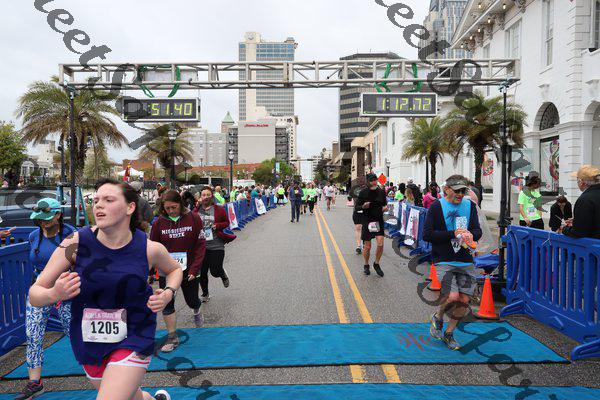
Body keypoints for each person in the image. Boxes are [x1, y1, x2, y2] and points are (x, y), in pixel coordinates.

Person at [29, 178, 182, 400]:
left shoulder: (149, 249)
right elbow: (35, 294)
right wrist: (54, 293)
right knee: (130, 396)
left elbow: (175, 269)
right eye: (96, 200)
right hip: (89, 339)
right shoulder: (75, 243)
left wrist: (168, 293)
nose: (99, 205)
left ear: (130, 207)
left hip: (135, 334)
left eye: (109, 200)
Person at [13, 199, 76, 400]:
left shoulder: (71, 235)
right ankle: (35, 382)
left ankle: (100, 371)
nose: (43, 221)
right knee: (33, 333)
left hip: (66, 286)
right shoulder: (34, 236)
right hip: (41, 287)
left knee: (74, 332)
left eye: (47, 217)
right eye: (39, 218)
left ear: (58, 215)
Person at [423, 175, 482, 351]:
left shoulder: (470, 206)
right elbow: (427, 234)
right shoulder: (436, 206)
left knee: (464, 300)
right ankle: (438, 316)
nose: (460, 194)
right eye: (457, 191)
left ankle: (449, 333)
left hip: (465, 259)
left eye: (463, 191)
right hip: (444, 258)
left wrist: (470, 235)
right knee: (453, 296)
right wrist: (453, 234)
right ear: (446, 189)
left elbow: (477, 230)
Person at [150, 190, 206, 353]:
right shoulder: (159, 223)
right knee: (167, 303)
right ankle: (172, 337)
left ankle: (197, 308)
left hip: (189, 269)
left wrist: (195, 268)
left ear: (180, 204)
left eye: (174, 207)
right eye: (167, 208)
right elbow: (153, 247)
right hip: (167, 270)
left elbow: (200, 245)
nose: (171, 211)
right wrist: (151, 270)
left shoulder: (194, 218)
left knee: (191, 300)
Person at [196, 186, 231, 303]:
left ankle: (222, 274)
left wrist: (217, 226)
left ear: (212, 196)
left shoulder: (218, 209)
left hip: (216, 244)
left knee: (215, 271)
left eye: (208, 195)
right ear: (200, 197)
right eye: (203, 195)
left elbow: (226, 222)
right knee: (202, 272)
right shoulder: (196, 210)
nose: (205, 197)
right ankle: (205, 294)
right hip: (201, 247)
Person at [355, 173, 388, 277]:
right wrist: (363, 206)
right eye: (371, 180)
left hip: (378, 220)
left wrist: (385, 208)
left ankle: (376, 263)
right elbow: (357, 207)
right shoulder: (363, 192)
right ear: (368, 182)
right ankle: (366, 264)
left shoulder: (381, 192)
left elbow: (384, 204)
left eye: (375, 180)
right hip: (367, 221)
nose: (374, 182)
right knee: (367, 246)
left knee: (380, 243)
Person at [562, 165, 600, 238]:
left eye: (577, 180)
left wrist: (564, 229)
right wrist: (578, 220)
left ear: (582, 182)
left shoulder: (585, 199)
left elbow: (578, 232)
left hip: (593, 243)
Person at [351, 178, 367, 255]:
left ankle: (364, 242)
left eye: (362, 181)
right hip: (357, 211)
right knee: (358, 227)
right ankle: (359, 246)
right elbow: (350, 197)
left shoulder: (368, 190)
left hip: (366, 212)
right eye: (360, 181)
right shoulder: (354, 189)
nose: (361, 182)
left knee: (365, 228)